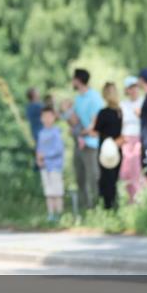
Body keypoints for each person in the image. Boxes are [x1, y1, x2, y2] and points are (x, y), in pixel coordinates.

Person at [61, 68, 103, 211]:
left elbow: (96, 120)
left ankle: (97, 207)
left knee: (93, 177)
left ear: (78, 80)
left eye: (73, 79)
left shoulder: (94, 97)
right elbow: (76, 120)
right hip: (79, 143)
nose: (72, 82)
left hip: (91, 144)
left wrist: (86, 131)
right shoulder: (78, 99)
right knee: (80, 177)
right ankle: (85, 209)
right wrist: (66, 111)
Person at [90, 82, 124, 210]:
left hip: (105, 151)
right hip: (118, 149)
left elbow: (94, 132)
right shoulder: (120, 112)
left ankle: (107, 207)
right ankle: (116, 206)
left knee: (105, 180)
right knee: (114, 179)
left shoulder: (103, 113)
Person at [118, 76, 145, 203]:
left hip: (139, 139)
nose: (133, 90)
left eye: (135, 87)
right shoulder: (123, 105)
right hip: (125, 140)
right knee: (125, 172)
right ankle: (131, 198)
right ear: (127, 90)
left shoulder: (143, 102)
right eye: (131, 88)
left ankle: (139, 198)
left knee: (136, 169)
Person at [35, 106, 65, 221]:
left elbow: (58, 150)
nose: (47, 119)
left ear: (54, 117)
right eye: (44, 117)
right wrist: (38, 159)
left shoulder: (56, 132)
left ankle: (59, 214)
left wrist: (44, 156)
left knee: (57, 192)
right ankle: (51, 214)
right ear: (41, 118)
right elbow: (39, 149)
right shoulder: (41, 133)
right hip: (44, 167)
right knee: (48, 192)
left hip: (55, 167)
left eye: (49, 116)